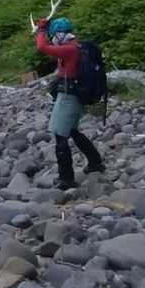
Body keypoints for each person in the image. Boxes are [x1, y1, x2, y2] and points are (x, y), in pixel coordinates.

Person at [33, 16, 105, 189]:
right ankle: (95, 162)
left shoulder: (69, 49)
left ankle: (66, 178)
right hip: (73, 95)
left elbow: (41, 46)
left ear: (59, 34)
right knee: (72, 130)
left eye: (53, 35)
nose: (53, 39)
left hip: (68, 97)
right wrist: (46, 29)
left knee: (60, 135)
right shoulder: (74, 46)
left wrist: (41, 30)